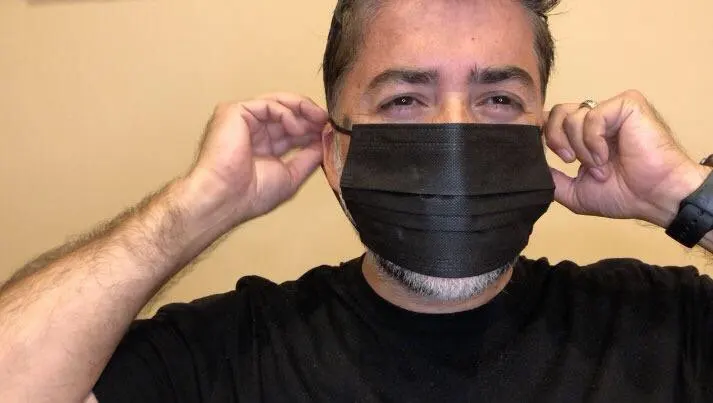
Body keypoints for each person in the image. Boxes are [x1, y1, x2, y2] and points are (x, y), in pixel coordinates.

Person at [2, 0, 713, 401]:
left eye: (498, 99)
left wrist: (683, 197)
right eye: (404, 99)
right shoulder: (224, 354)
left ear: (543, 130)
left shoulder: (664, 324)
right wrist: (196, 209)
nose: (454, 135)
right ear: (334, 151)